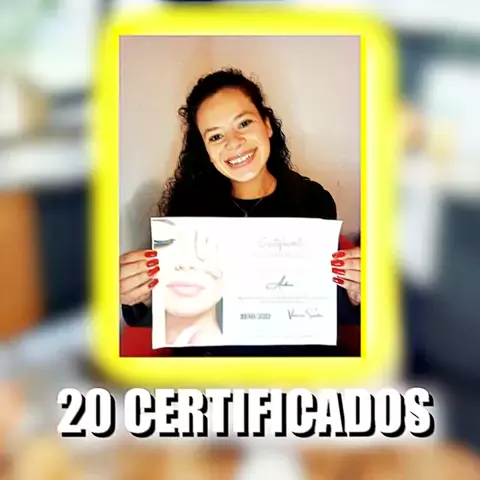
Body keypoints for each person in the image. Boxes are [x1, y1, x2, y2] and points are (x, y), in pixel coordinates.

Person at [120, 68, 361, 356]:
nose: (233, 143)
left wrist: (355, 294)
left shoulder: (313, 200)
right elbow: (176, 314)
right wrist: (139, 297)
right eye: (215, 136)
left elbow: (321, 303)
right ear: (206, 150)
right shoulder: (188, 210)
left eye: (244, 123)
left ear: (267, 125)